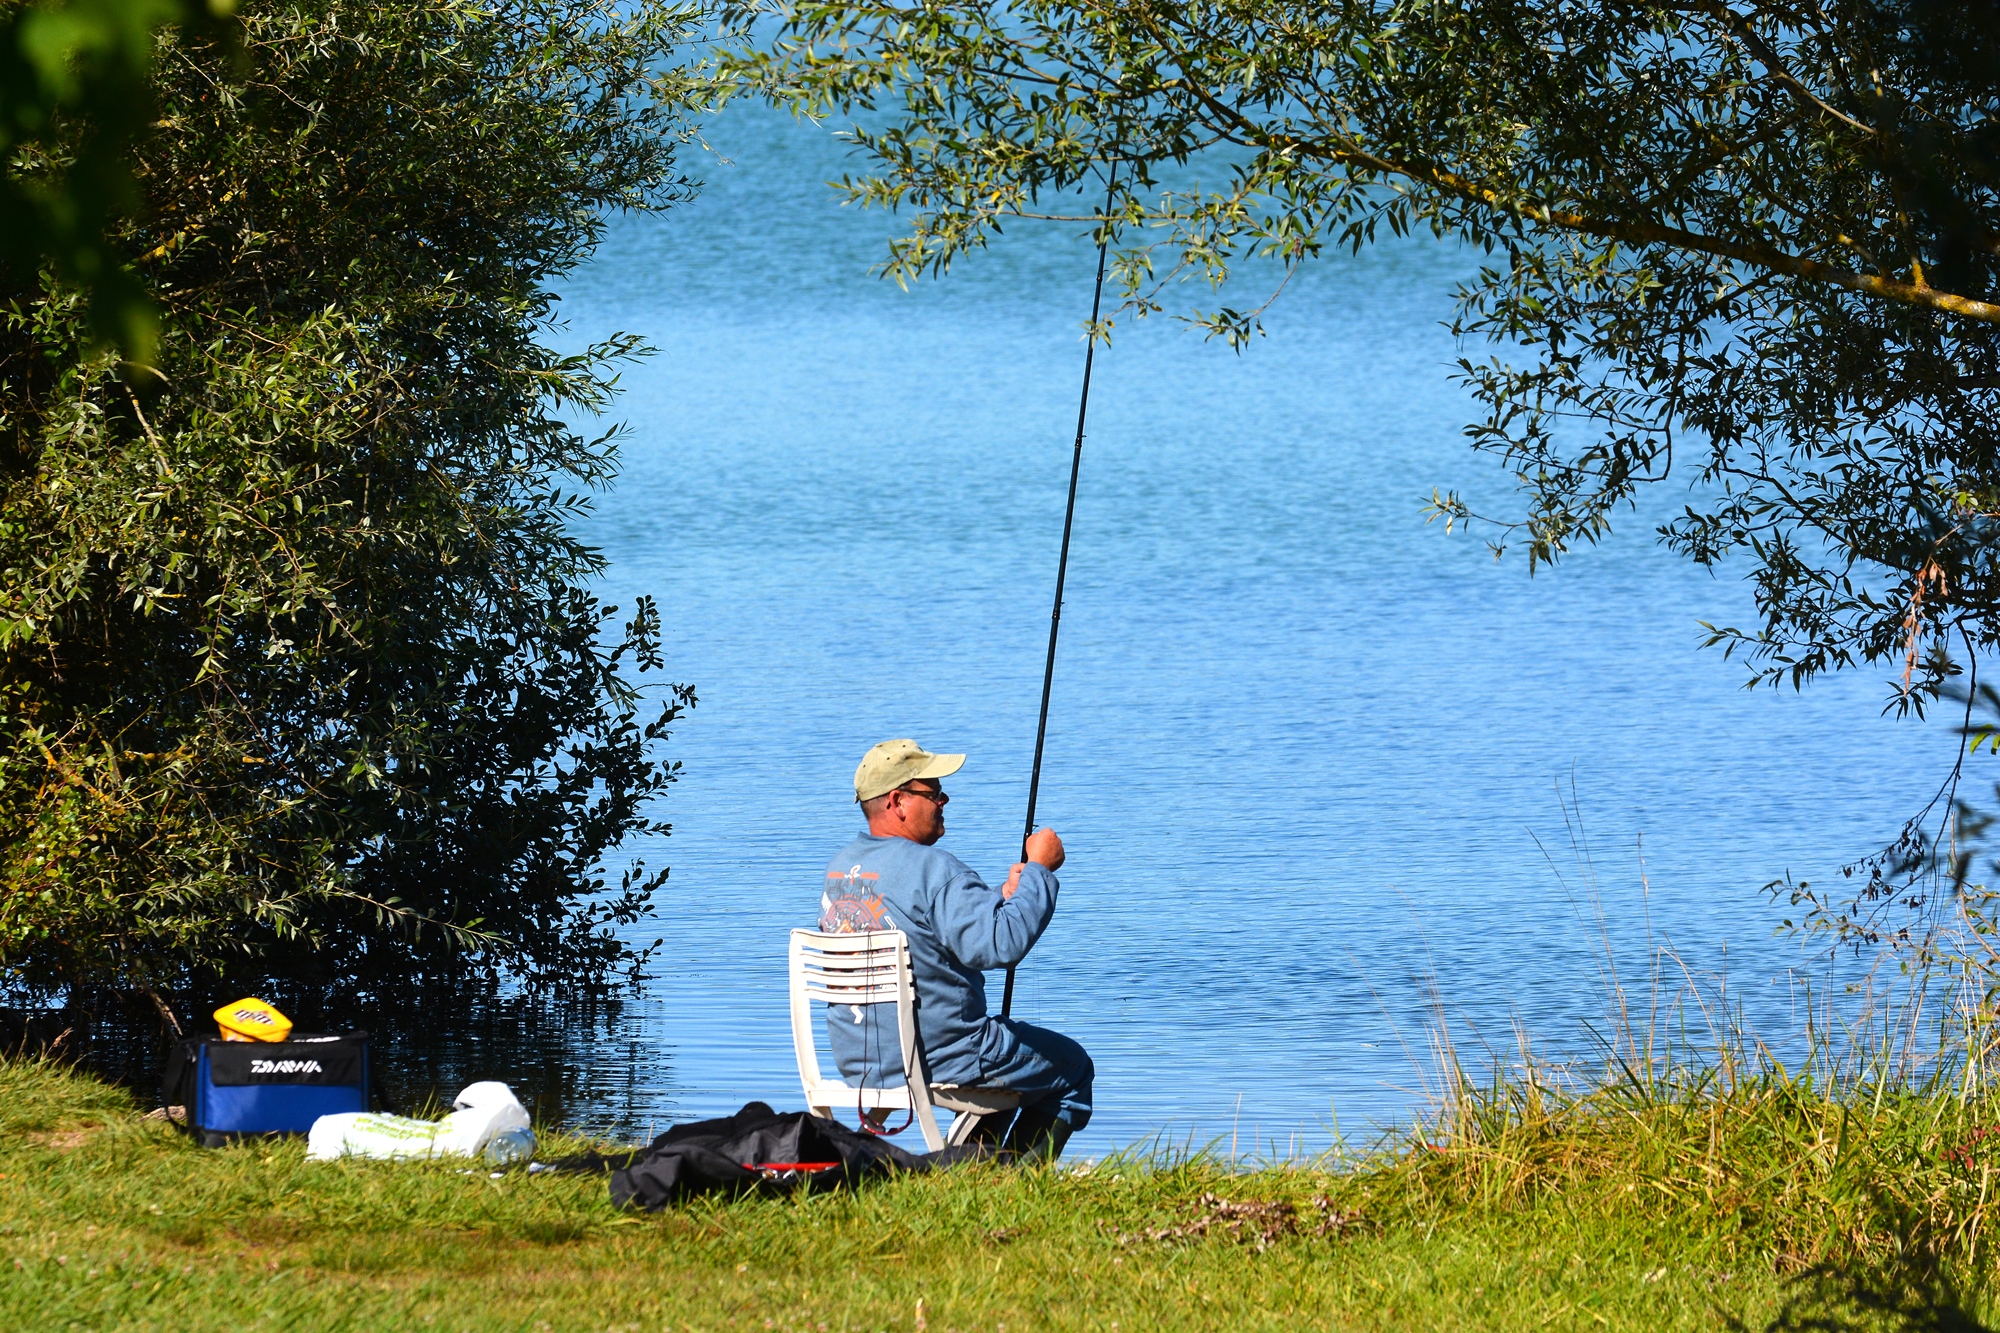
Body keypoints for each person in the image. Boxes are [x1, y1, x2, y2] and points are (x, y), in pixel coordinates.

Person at [816, 737, 1093, 1157]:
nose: (944, 800)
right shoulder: (935, 868)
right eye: (933, 792)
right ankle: (1015, 1185)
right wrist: (1039, 869)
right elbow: (1002, 944)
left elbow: (931, 923)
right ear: (898, 801)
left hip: (864, 1062)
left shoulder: (840, 872)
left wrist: (1004, 897)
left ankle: (973, 1170)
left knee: (1017, 1066)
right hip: (941, 1057)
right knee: (1073, 1069)